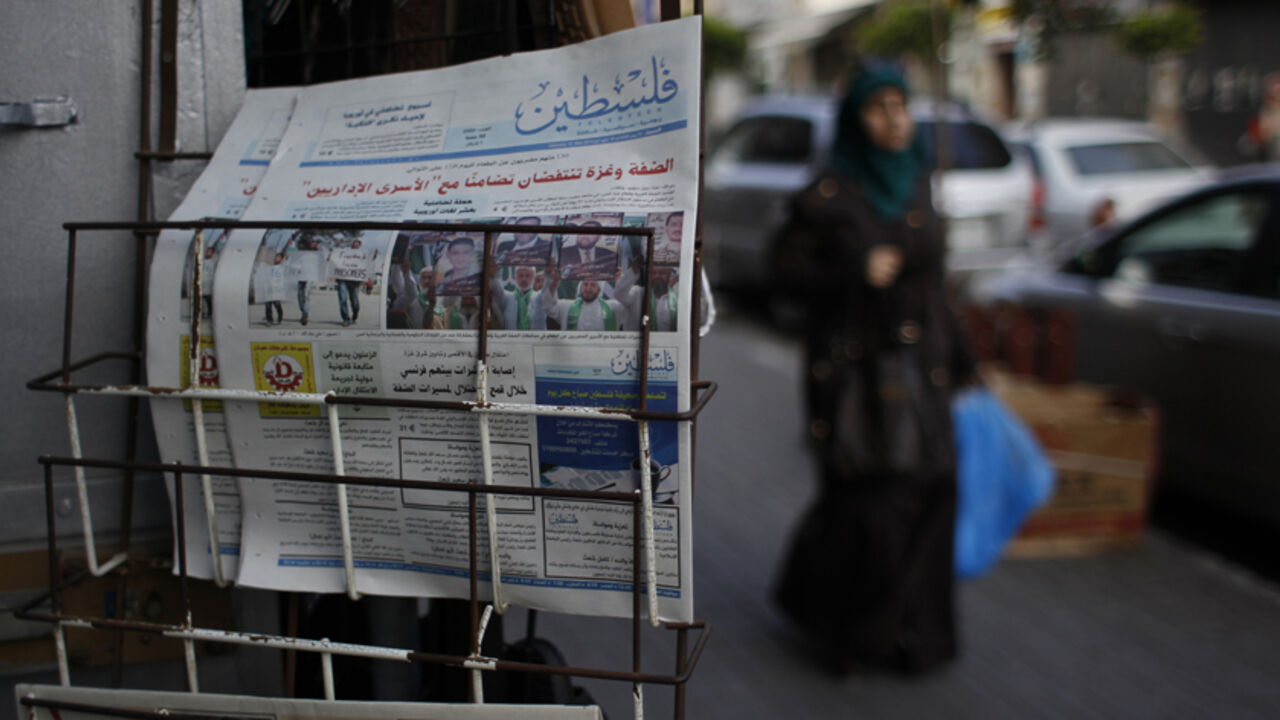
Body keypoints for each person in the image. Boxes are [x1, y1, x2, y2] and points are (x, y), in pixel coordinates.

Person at [771, 65, 976, 676]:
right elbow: (782, 276)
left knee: (936, 492)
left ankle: (918, 635)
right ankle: (849, 634)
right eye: (878, 108)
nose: (894, 120)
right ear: (855, 120)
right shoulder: (828, 192)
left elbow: (935, 282)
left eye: (901, 107)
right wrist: (853, 271)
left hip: (924, 368)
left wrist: (965, 361)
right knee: (869, 506)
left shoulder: (917, 178)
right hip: (855, 375)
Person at [541, 265, 628, 331]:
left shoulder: (613, 308)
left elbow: (629, 306)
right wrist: (554, 283)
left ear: (599, 289)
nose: (588, 289)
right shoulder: (566, 307)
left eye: (593, 285)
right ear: (580, 287)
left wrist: (620, 282)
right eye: (585, 284)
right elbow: (548, 306)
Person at [494, 265, 548, 330]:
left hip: (536, 339)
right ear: (515, 278)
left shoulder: (539, 297)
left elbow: (548, 290)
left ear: (533, 278)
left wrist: (548, 275)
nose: (524, 279)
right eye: (520, 276)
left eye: (528, 276)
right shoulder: (507, 298)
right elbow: (496, 287)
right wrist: (494, 274)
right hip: (511, 339)